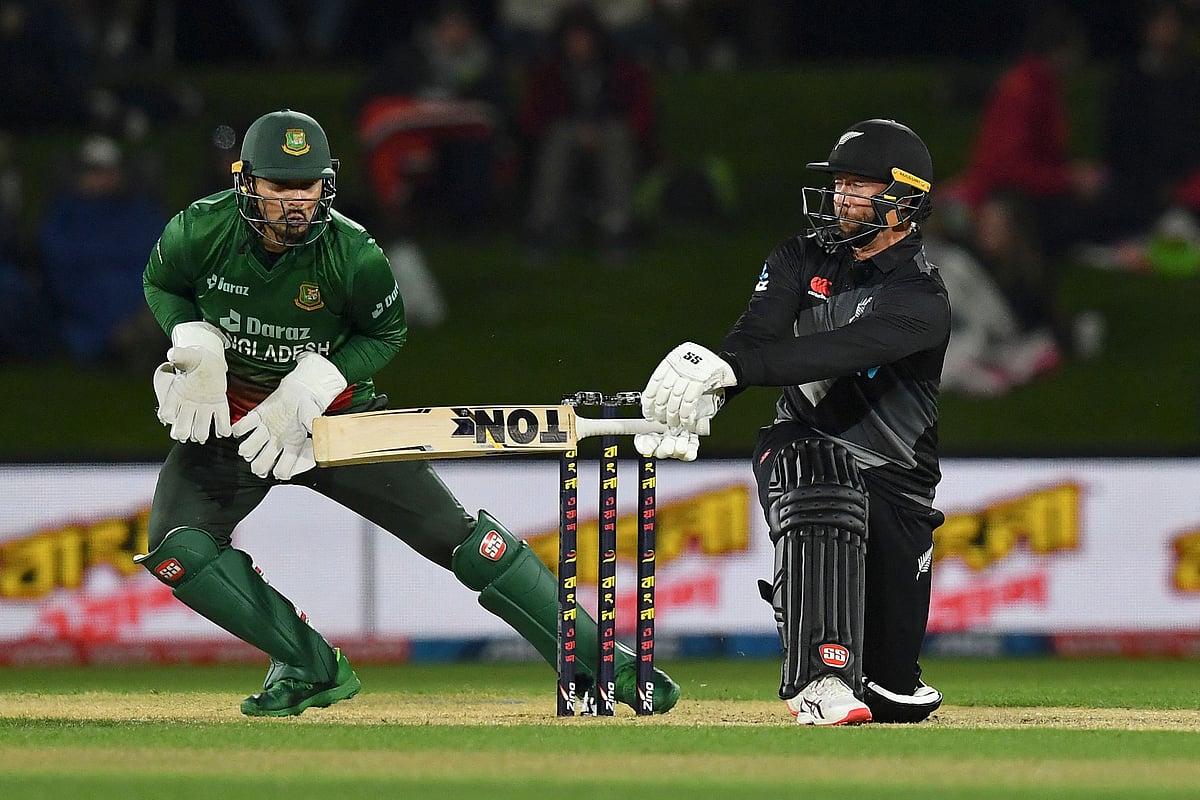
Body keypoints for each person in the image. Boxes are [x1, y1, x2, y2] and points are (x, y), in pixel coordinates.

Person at [138, 108, 680, 717]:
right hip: (234, 426)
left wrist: (321, 378)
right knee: (178, 548)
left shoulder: (355, 254)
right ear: (247, 183)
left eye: (309, 185)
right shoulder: (200, 230)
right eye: (281, 186)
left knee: (465, 544)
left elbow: (386, 331)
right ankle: (310, 667)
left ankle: (608, 665)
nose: (297, 201)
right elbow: (162, 282)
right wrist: (194, 339)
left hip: (335, 424)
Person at [637, 119, 947, 726]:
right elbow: (755, 338)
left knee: (891, 695)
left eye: (860, 187)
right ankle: (821, 679)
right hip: (801, 443)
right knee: (816, 463)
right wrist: (701, 400)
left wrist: (727, 368)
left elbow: (835, 352)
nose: (841, 198)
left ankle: (857, 660)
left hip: (898, 485)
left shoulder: (921, 298)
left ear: (903, 200)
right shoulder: (797, 257)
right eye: (839, 185)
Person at [519, 2, 656, 267]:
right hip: (565, 135)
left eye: (583, 38)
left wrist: (607, 128)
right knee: (559, 138)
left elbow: (642, 110)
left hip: (611, 133)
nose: (578, 45)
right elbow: (534, 116)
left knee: (616, 136)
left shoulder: (621, 68)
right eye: (572, 39)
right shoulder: (549, 71)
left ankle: (617, 225)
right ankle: (542, 223)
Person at [40, 133, 167, 370]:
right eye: (93, 170)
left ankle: (138, 338)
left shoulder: (139, 211)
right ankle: (126, 342)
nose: (101, 178)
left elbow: (159, 257)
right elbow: (60, 267)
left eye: (108, 170)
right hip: (89, 305)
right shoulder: (65, 215)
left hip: (137, 295)